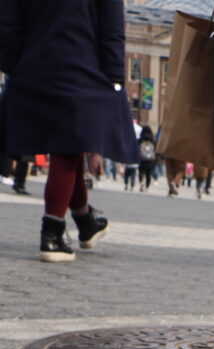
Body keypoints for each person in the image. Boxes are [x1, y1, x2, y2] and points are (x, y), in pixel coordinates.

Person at [0, 0, 137, 262]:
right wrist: (115, 77)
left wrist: (12, 64)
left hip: (33, 64)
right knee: (68, 148)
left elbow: (7, 21)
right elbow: (111, 29)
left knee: (69, 145)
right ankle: (52, 233)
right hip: (82, 63)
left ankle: (85, 220)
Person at [136, 125, 156, 191]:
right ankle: (147, 187)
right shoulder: (153, 140)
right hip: (150, 160)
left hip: (142, 159)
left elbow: (136, 148)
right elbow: (155, 150)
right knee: (148, 174)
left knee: (141, 172)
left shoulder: (140, 140)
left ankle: (141, 181)